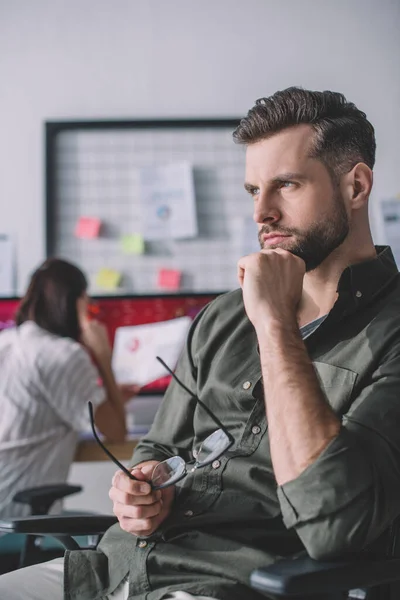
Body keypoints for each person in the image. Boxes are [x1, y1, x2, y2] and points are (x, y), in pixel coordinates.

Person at [1, 86, 400, 600]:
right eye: (254, 191)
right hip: (110, 569)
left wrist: (275, 324)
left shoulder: (387, 331)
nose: (263, 213)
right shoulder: (222, 316)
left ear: (356, 186)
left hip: (228, 583)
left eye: (287, 185)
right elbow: (158, 449)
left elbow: (334, 528)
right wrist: (141, 489)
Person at [0, 258, 139, 519]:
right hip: (18, 514)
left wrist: (112, 398)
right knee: (116, 531)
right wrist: (103, 358)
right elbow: (117, 433)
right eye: (87, 300)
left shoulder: (7, 342)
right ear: (74, 302)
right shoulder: (64, 355)